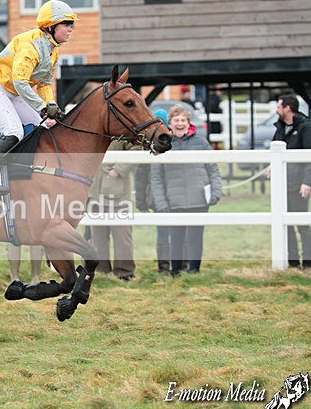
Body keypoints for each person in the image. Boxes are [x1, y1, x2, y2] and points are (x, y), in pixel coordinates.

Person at [0, 0, 77, 195]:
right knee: (14, 132)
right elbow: (20, 81)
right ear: (51, 26)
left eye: (72, 24)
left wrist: (50, 106)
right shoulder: (31, 46)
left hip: (14, 93)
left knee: (43, 128)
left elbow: (44, 84)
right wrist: (42, 107)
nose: (71, 29)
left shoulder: (53, 51)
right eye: (66, 24)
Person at [150, 105, 221, 274]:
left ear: (188, 122)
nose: (180, 123)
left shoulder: (201, 142)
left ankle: (194, 271)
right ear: (170, 123)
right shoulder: (163, 144)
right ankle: (175, 272)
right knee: (176, 238)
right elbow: (156, 177)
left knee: (196, 237)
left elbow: (213, 168)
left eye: (183, 120)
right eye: (176, 120)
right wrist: (160, 202)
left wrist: (216, 191)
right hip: (174, 201)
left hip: (199, 199)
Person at [272, 94, 311, 269]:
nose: (277, 110)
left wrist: (307, 182)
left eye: (279, 106)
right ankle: (292, 262)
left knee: (302, 225)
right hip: (282, 184)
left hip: (298, 185)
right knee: (287, 226)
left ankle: (307, 263)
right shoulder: (281, 128)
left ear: (287, 108)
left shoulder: (306, 128)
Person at [89, 139, 137, 280]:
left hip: (119, 193)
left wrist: (118, 169)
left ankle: (125, 272)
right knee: (97, 237)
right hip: (94, 191)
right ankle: (100, 270)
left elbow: (137, 149)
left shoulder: (124, 128)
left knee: (122, 235)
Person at [135, 109, 171, 274]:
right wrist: (141, 202)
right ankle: (163, 265)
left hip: (173, 194)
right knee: (163, 232)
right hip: (156, 196)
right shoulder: (148, 148)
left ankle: (180, 263)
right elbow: (141, 177)